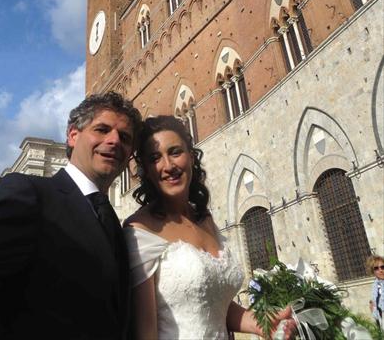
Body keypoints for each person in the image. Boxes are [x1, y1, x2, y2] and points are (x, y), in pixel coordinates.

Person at [0, 91, 142, 340]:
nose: (114, 140)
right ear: (73, 135)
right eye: (102, 129)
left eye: (125, 137)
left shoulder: (115, 225)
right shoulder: (26, 192)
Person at [124, 115, 296, 340]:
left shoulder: (205, 219)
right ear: (146, 170)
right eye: (155, 158)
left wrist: (260, 323)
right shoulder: (141, 230)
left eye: (175, 152)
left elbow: (211, 302)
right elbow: (145, 333)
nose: (168, 166)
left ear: (191, 156)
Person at [367, 254, 384, 330]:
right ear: (373, 271)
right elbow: (375, 305)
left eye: (382, 267)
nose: (380, 270)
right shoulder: (375, 286)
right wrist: (373, 307)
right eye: (376, 268)